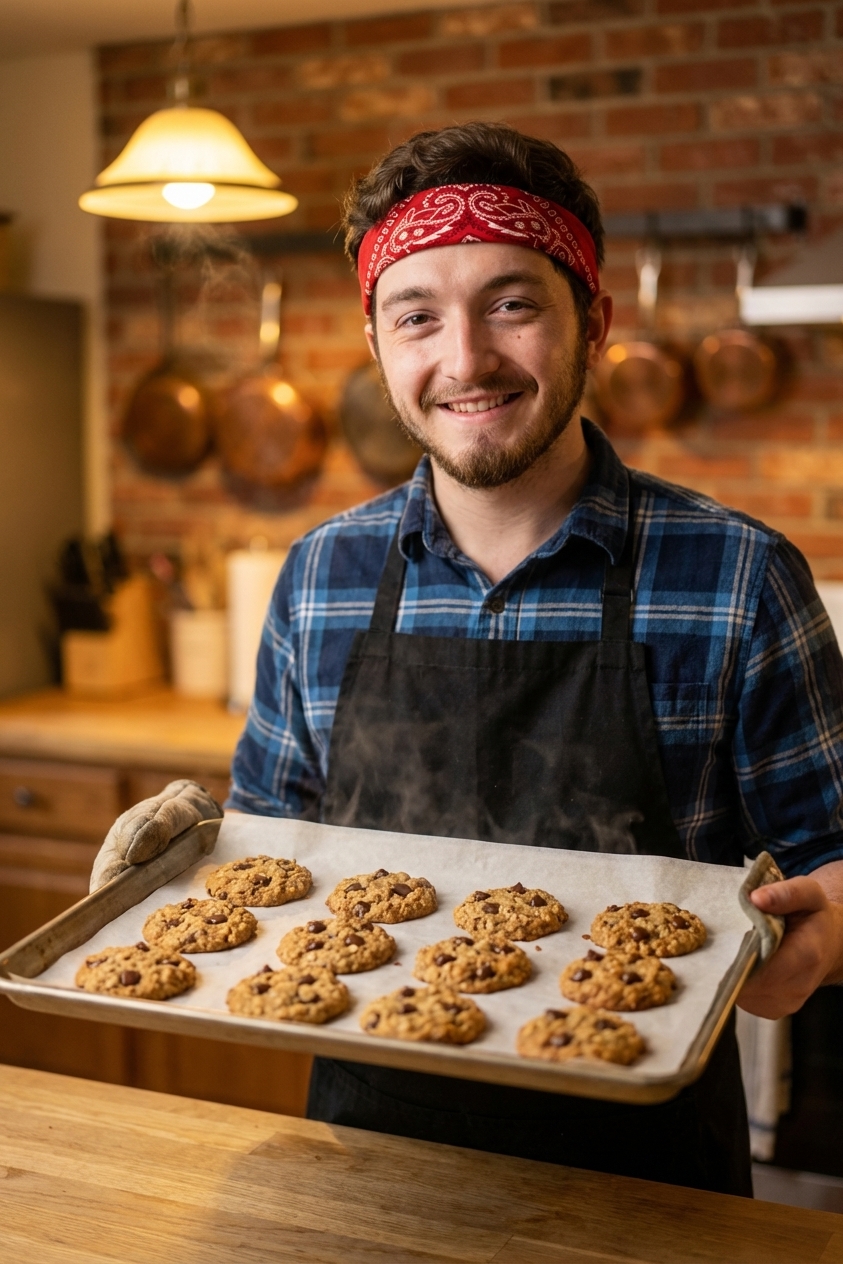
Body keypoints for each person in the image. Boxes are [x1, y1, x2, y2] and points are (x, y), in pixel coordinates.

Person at [94, 122, 843, 1196]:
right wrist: (180, 854)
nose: (466, 360)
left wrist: (823, 936)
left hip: (649, 1176)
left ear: (594, 318)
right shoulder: (318, 578)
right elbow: (271, 849)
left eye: (512, 303)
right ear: (377, 345)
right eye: (418, 316)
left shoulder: (738, 576)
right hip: (362, 1156)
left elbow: (834, 852)